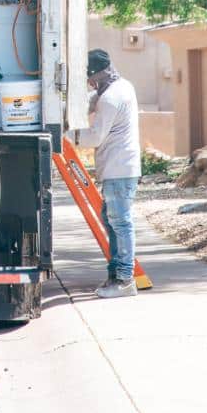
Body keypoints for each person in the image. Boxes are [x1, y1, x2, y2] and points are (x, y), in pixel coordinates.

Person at [70, 48, 142, 298]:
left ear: (94, 75)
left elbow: (95, 136)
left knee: (120, 223)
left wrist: (66, 135)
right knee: (113, 222)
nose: (89, 84)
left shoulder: (110, 98)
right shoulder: (122, 86)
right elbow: (93, 100)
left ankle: (124, 280)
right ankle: (116, 277)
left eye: (89, 78)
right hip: (120, 167)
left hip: (118, 168)